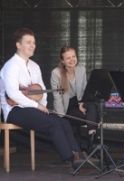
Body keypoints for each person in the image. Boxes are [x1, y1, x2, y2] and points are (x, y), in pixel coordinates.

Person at [0, 27, 83, 170]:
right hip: (15, 110)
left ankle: (77, 154)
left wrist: (42, 104)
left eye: (34, 42)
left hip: (32, 108)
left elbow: (43, 91)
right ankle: (69, 159)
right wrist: (36, 106)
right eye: (28, 42)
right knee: (53, 124)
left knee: (63, 122)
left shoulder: (35, 66)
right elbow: (13, 94)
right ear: (18, 45)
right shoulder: (11, 66)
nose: (32, 45)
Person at [50, 45, 98, 153]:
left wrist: (82, 103)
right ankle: (92, 143)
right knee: (94, 115)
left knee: (92, 106)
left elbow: (85, 90)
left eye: (73, 56)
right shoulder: (56, 73)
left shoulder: (81, 69)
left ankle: (91, 135)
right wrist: (61, 116)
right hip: (66, 107)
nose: (72, 60)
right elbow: (57, 97)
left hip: (78, 102)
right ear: (62, 61)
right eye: (68, 58)